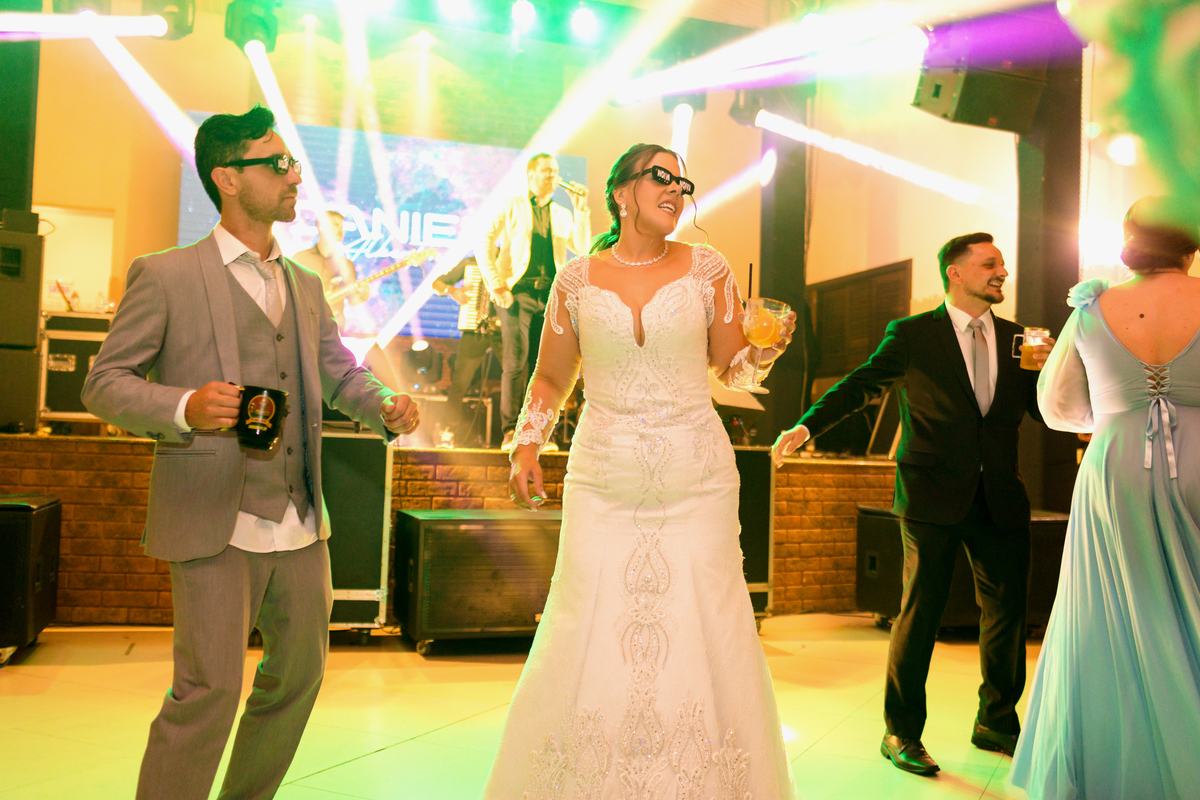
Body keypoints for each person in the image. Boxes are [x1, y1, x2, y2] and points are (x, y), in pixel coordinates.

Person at [81, 105, 419, 800]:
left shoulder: (306, 285)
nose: (295, 177)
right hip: (214, 514)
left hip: (299, 520)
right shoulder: (165, 274)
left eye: (293, 163)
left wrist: (382, 403)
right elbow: (104, 383)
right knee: (208, 691)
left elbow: (338, 373)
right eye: (278, 163)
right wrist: (183, 406)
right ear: (228, 178)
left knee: (298, 679)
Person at [484, 144, 797, 798]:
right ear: (622, 192)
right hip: (603, 477)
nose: (677, 189)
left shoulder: (709, 269)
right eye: (662, 176)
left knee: (703, 620)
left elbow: (732, 369)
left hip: (696, 477)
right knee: (588, 617)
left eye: (683, 181)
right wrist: (527, 445)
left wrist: (764, 352)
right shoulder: (575, 280)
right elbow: (550, 377)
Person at [773, 232, 1052, 776]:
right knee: (919, 614)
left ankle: (997, 721)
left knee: (1007, 615)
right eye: (989, 264)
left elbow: (1043, 411)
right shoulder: (913, 334)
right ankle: (901, 731)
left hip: (1000, 495)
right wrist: (806, 427)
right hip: (931, 495)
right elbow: (861, 385)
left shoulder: (1021, 339)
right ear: (955, 272)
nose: (1002, 272)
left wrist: (1060, 381)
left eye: (1002, 264)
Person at [1009, 197, 1200, 799]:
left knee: (1109, 611)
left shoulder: (1093, 308)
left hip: (1114, 466)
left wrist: (1117, 412)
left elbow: (1058, 405)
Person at [477, 152, 590, 449]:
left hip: (551, 297)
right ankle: (511, 432)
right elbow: (483, 241)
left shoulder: (562, 214)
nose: (553, 175)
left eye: (555, 171)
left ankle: (535, 434)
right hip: (518, 295)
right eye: (546, 170)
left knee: (543, 367)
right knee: (516, 362)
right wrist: (496, 283)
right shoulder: (512, 205)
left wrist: (581, 211)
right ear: (531, 174)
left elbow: (584, 249)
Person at [431, 254, 501, 446]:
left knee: (518, 379)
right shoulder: (471, 262)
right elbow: (436, 284)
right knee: (460, 382)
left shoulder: (511, 259)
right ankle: (448, 430)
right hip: (475, 329)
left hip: (503, 331)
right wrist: (452, 290)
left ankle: (523, 432)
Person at [291, 209, 367, 329]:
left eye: (342, 226)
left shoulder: (346, 265)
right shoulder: (301, 259)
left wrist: (363, 295)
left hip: (334, 329)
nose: (340, 230)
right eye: (336, 225)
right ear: (321, 227)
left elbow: (353, 300)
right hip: (305, 327)